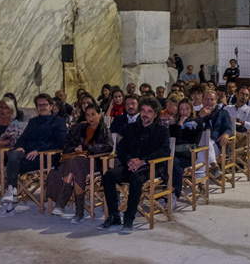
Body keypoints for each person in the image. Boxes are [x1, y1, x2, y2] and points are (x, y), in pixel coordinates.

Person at [100, 98, 171, 233]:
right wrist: (129, 160)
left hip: (150, 167)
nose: (145, 114)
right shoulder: (130, 128)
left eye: (149, 111)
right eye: (143, 110)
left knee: (135, 179)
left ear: (155, 114)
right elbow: (121, 149)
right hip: (130, 165)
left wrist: (143, 161)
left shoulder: (162, 130)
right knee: (108, 175)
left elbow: (164, 151)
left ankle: (129, 218)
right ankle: (114, 215)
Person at [0, 93, 68, 215]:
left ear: (51, 106)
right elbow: (23, 138)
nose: (41, 107)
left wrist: (39, 150)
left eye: (44, 104)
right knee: (13, 154)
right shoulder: (33, 121)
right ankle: (12, 191)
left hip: (47, 157)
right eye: (39, 105)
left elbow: (60, 142)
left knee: (12, 164)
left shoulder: (59, 121)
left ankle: (10, 197)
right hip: (28, 156)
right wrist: (20, 147)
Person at [45, 102, 112, 221]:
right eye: (87, 115)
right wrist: (75, 148)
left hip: (94, 163)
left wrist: (87, 148)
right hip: (75, 161)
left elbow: (108, 147)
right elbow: (66, 145)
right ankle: (78, 212)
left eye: (93, 114)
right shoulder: (79, 128)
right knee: (76, 166)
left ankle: (63, 203)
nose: (90, 118)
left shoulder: (104, 130)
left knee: (75, 164)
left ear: (100, 115)